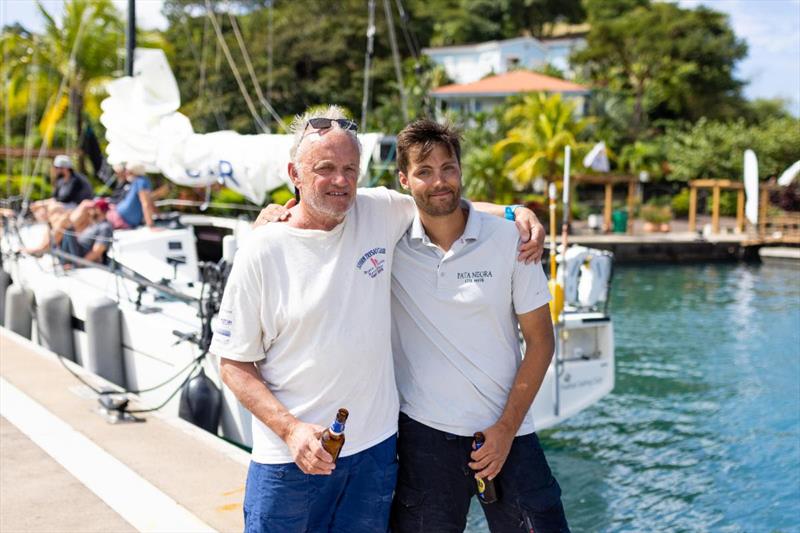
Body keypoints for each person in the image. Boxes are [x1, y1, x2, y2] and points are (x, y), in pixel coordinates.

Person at [211, 106, 545, 532]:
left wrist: (515, 212)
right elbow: (232, 364)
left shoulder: (377, 211)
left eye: (350, 168)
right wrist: (291, 431)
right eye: (325, 168)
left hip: (374, 456)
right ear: (294, 173)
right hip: (290, 460)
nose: (340, 180)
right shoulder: (262, 250)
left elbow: (438, 200)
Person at [389, 119, 569, 532]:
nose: (440, 181)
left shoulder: (510, 240)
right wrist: (276, 214)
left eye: (448, 168)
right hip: (425, 437)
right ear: (404, 180)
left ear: (461, 171)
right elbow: (326, 203)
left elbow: (541, 342)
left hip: (509, 430)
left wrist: (506, 429)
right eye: (425, 171)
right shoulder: (390, 237)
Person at [24, 198, 112, 267]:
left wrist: (77, 264)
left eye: (93, 208)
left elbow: (97, 252)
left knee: (65, 223)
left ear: (99, 210)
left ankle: (43, 249)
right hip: (74, 252)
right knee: (62, 220)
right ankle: (44, 248)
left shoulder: (105, 227)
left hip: (77, 257)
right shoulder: (95, 224)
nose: (91, 210)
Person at [30, 155, 94, 221]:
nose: (54, 170)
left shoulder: (76, 180)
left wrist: (44, 204)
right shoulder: (61, 180)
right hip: (67, 205)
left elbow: (66, 199)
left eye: (57, 167)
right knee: (40, 210)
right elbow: (55, 197)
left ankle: (56, 229)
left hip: (79, 206)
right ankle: (51, 228)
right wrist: (40, 203)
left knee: (53, 208)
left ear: (65, 168)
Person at [105, 161, 157, 229]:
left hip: (121, 217)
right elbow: (147, 202)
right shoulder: (141, 181)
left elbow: (146, 203)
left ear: (134, 172)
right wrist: (152, 224)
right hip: (121, 217)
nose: (125, 173)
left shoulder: (140, 182)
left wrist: (150, 225)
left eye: (128, 171)